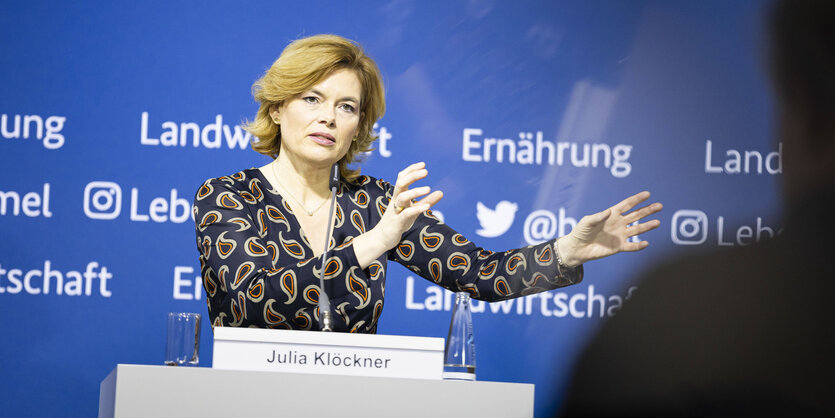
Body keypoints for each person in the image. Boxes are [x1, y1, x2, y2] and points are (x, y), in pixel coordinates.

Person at [192, 34, 662, 333]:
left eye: (347, 107)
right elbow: (254, 301)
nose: (328, 118)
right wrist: (373, 243)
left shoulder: (377, 203)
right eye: (312, 98)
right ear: (277, 108)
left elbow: (481, 274)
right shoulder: (228, 196)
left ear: (359, 125)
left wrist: (565, 252)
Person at [560, 0, 835, 416]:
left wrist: (562, 255)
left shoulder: (677, 319)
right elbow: (475, 274)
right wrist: (564, 254)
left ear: (800, 102)